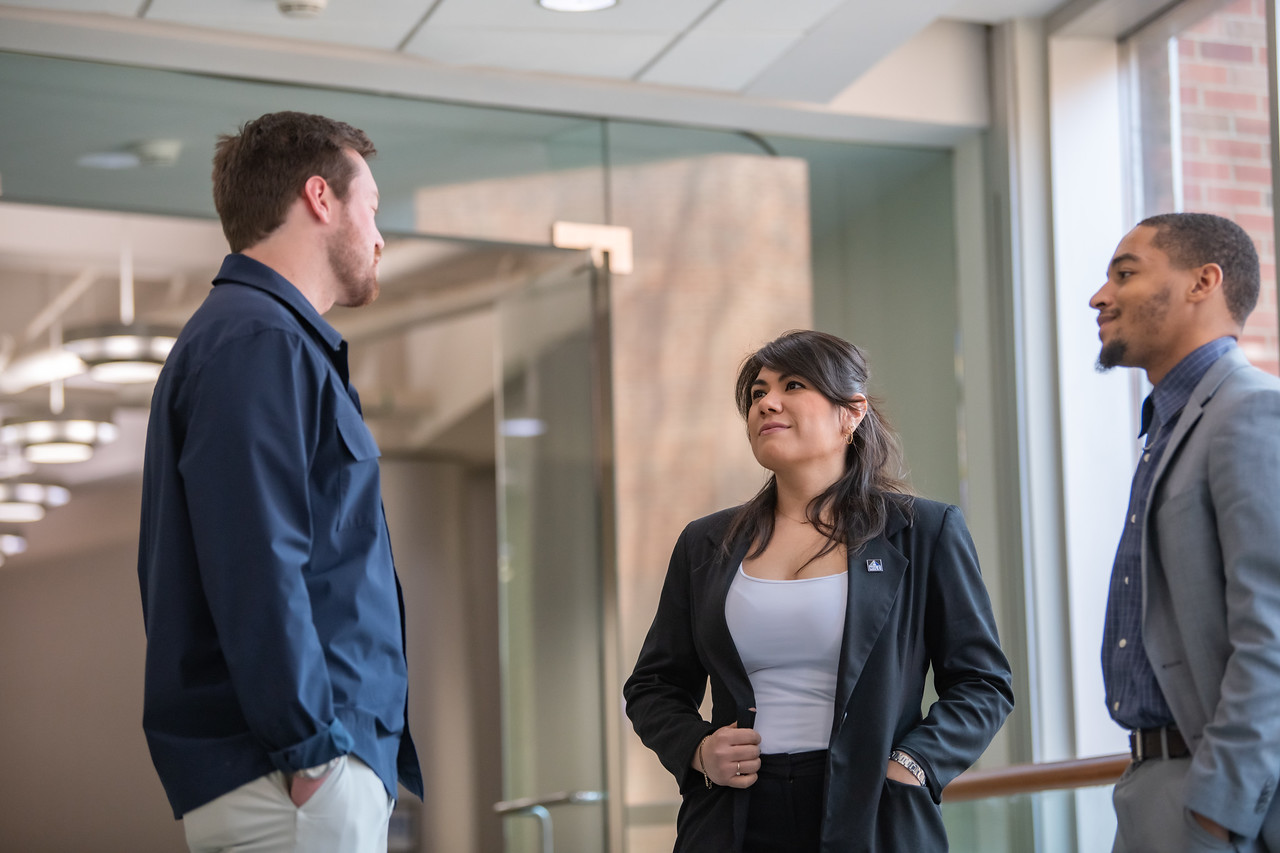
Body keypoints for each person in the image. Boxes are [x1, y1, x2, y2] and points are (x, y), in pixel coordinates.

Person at [136, 111, 422, 853]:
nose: (380, 236)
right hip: (292, 779)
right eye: (373, 208)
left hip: (295, 776)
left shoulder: (261, 338)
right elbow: (256, 560)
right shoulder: (257, 340)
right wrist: (311, 748)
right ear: (320, 197)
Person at [623, 329, 1014, 852]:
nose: (768, 403)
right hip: (733, 819)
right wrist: (697, 749)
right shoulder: (706, 543)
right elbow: (653, 685)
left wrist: (914, 764)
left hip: (874, 809)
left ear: (850, 413)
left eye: (793, 385)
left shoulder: (923, 531)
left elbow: (983, 682)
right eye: (757, 393)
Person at [1092, 212, 1280, 853]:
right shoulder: (1169, 425)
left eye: (1125, 273)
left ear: (1204, 282)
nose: (1100, 295)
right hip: (1152, 785)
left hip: (1210, 800)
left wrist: (1215, 814)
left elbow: (1273, 634)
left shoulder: (1251, 411)